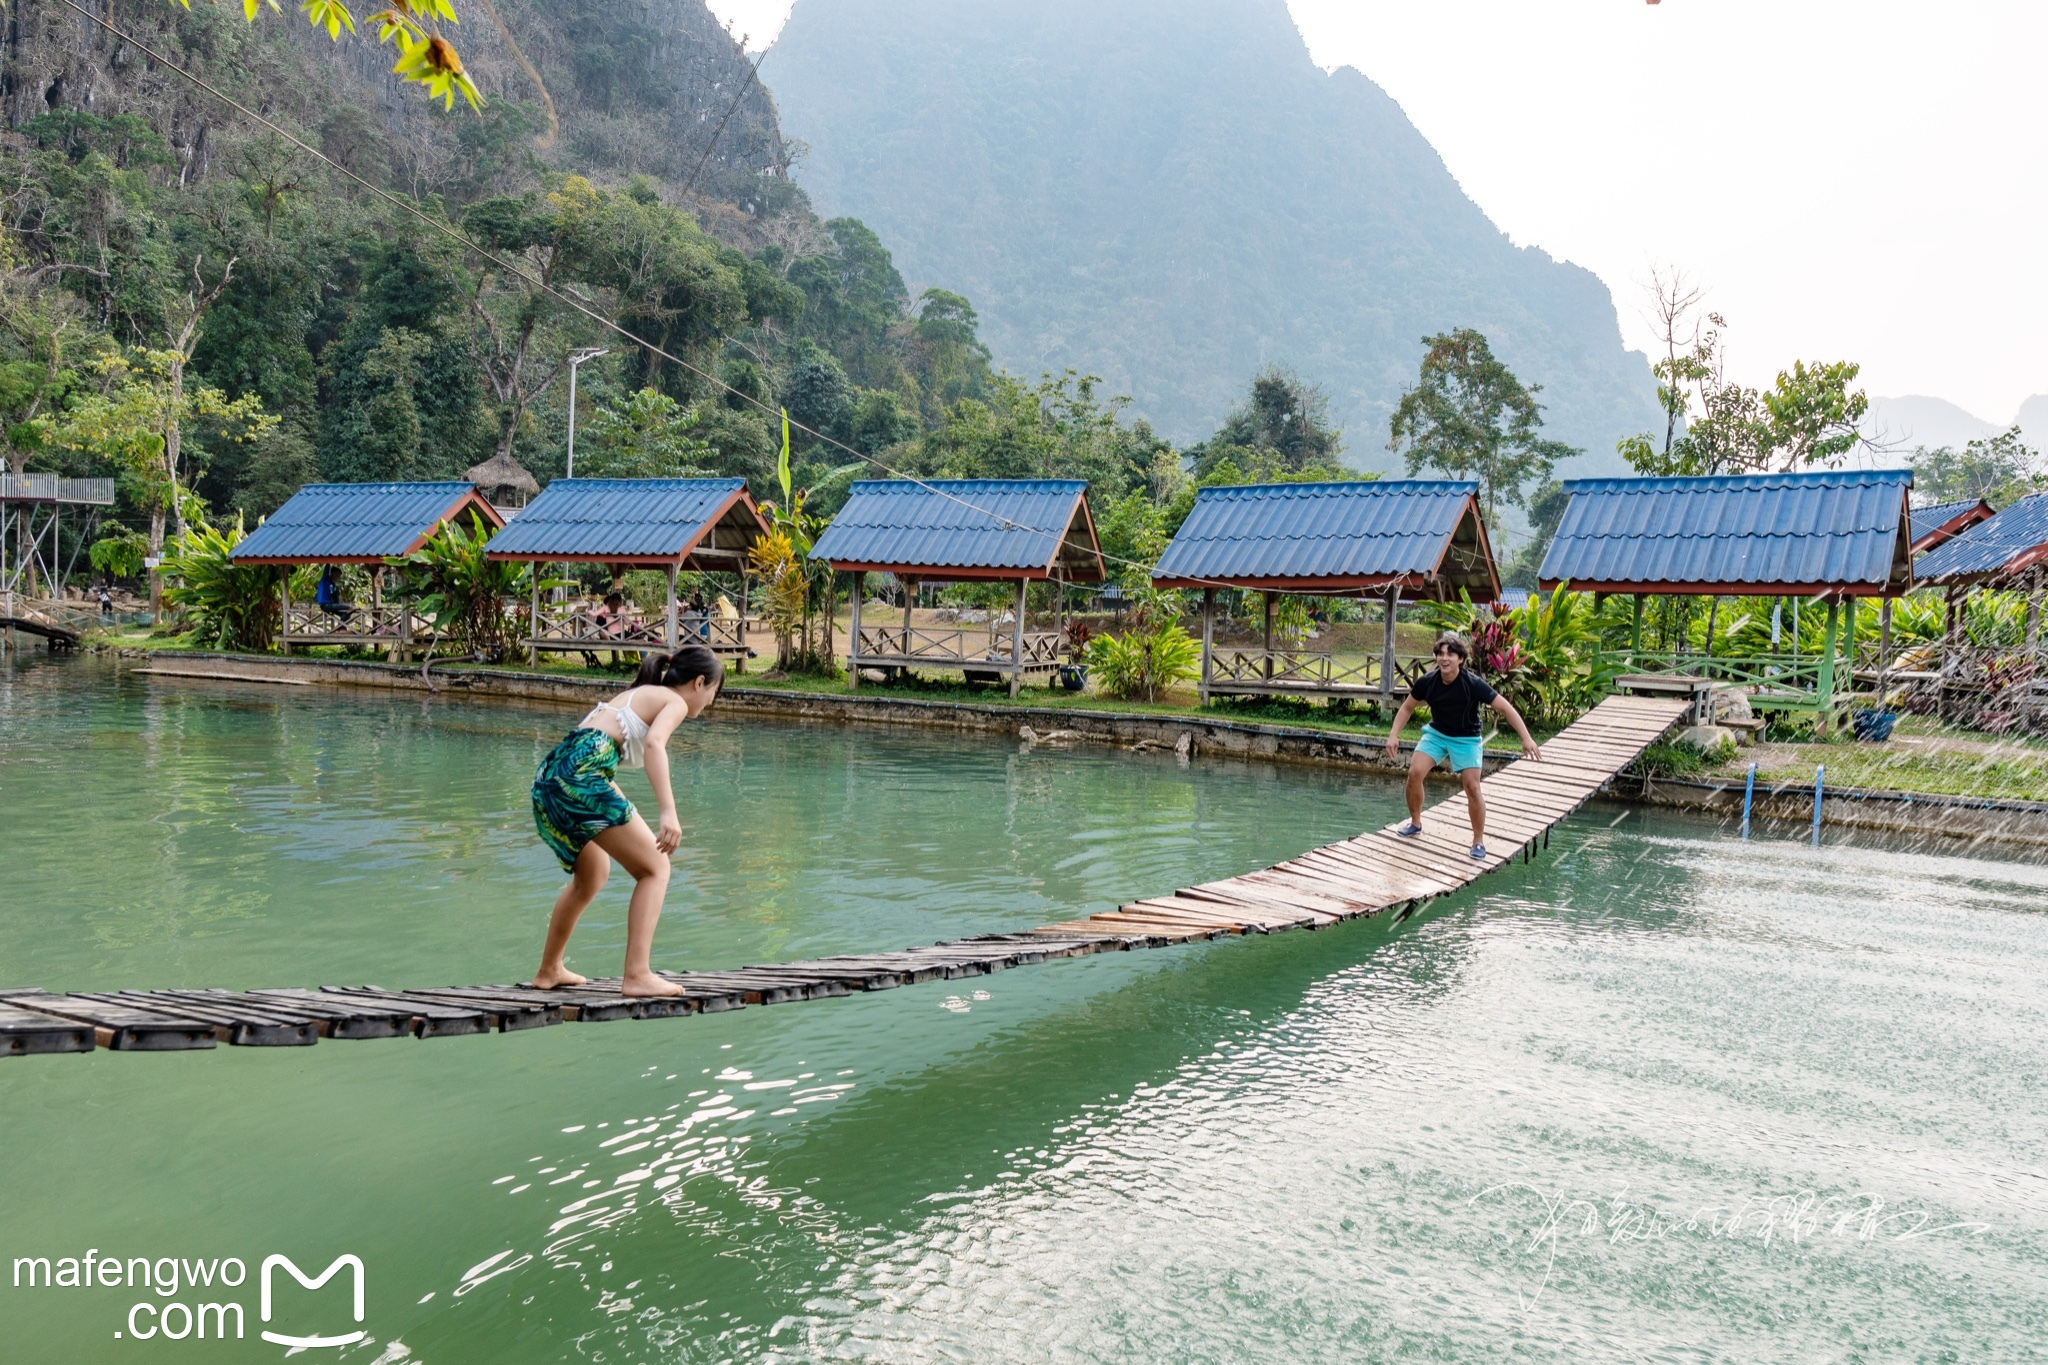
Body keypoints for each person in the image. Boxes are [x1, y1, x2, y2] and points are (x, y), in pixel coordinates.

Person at [529, 645, 724, 997]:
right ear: (699, 683)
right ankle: (637, 974)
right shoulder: (674, 700)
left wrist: (628, 811)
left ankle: (549, 969)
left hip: (550, 778)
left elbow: (589, 753)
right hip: (579, 778)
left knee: (592, 876)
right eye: (714, 692)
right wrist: (668, 811)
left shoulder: (636, 694)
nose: (710, 702)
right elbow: (654, 745)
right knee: (656, 868)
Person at [1382, 633, 1541, 861]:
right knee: (1414, 773)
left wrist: (1526, 738)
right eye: (1440, 654)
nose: (1444, 658)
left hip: (1467, 737)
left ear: (1461, 659)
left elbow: (1506, 708)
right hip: (1437, 733)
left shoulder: (1472, 684)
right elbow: (1407, 708)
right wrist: (1393, 735)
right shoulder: (1428, 681)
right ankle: (1415, 823)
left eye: (1450, 654)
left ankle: (1478, 841)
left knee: (1472, 787)